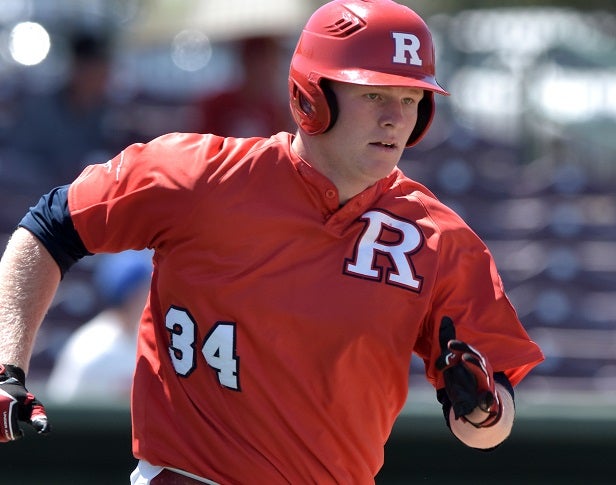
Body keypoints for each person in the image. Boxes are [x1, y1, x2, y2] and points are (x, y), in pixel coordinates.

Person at [0, 1, 544, 483]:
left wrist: (482, 410)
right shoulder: (201, 177)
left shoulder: (440, 239)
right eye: (375, 93)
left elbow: (489, 429)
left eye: (410, 99)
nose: (394, 118)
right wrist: (7, 367)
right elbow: (48, 229)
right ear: (313, 95)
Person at [46, 250, 152, 405]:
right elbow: (62, 409)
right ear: (132, 294)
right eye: (146, 287)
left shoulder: (148, 335)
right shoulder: (92, 348)